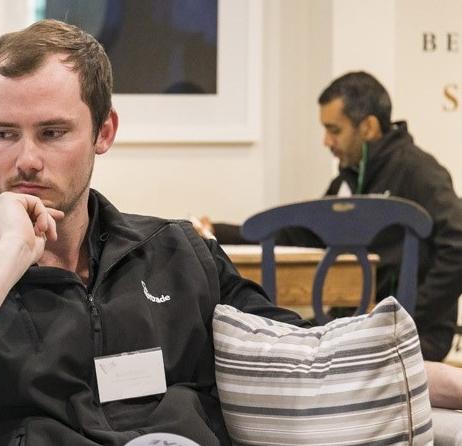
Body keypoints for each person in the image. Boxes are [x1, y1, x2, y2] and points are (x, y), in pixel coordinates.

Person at [0, 20, 314, 445]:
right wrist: (7, 255)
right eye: (4, 134)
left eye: (52, 133)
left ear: (104, 131)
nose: (27, 160)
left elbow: (303, 357)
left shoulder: (180, 255)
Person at [197, 71, 462, 362]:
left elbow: (458, 244)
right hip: (358, 325)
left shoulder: (419, 171)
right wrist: (216, 232)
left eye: (334, 130)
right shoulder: (349, 179)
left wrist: (410, 312)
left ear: (368, 127)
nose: (326, 141)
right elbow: (301, 235)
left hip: (415, 333)